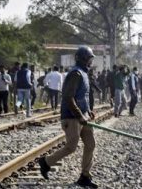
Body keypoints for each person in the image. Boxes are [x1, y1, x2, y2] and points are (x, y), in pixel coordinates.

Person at [39, 46, 98, 188]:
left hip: (83, 116)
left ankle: (85, 177)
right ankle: (46, 162)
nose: (91, 61)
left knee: (90, 144)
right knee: (71, 147)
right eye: (89, 58)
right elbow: (68, 97)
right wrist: (79, 116)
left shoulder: (84, 73)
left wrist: (89, 111)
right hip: (72, 116)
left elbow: (82, 96)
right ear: (83, 59)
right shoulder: (75, 74)